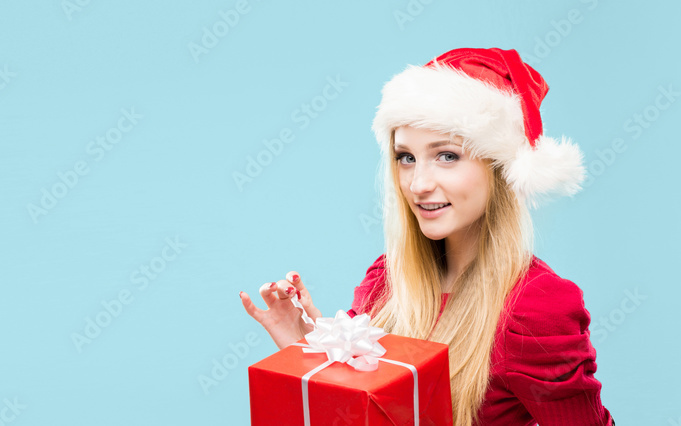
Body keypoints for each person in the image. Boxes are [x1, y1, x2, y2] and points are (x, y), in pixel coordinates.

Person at [239, 47, 614, 426]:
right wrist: (304, 346)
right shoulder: (386, 279)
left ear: (500, 169)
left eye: (447, 156)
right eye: (406, 157)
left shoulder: (536, 307)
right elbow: (364, 412)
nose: (417, 184)